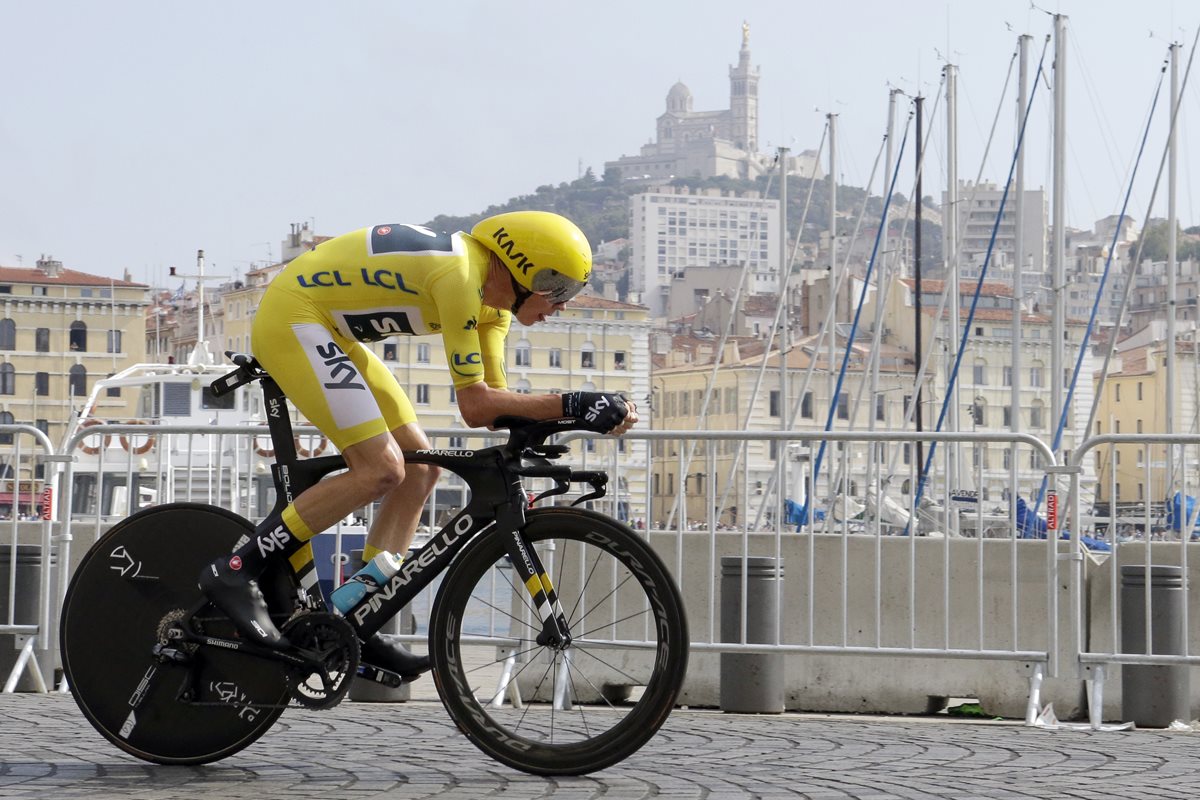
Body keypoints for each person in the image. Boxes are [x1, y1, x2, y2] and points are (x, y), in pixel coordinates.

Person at [199, 211, 637, 680]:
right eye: (561, 289)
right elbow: (475, 405)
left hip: (331, 331)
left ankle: (359, 617)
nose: (564, 305)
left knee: (421, 469)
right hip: (295, 319)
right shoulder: (460, 276)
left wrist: (582, 413)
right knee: (380, 469)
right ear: (528, 270)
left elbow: (497, 409)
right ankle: (236, 568)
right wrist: (574, 401)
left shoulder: (493, 311)